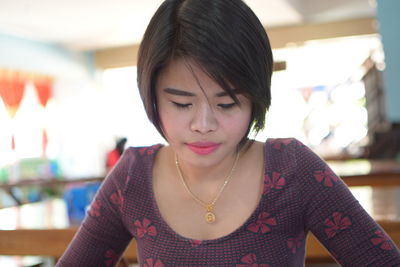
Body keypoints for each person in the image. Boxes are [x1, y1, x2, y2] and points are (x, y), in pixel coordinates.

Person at [57, 0, 400, 266]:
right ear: (152, 96)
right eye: (181, 104)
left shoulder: (293, 169)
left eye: (227, 104)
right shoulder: (132, 177)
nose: (203, 124)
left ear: (256, 99)